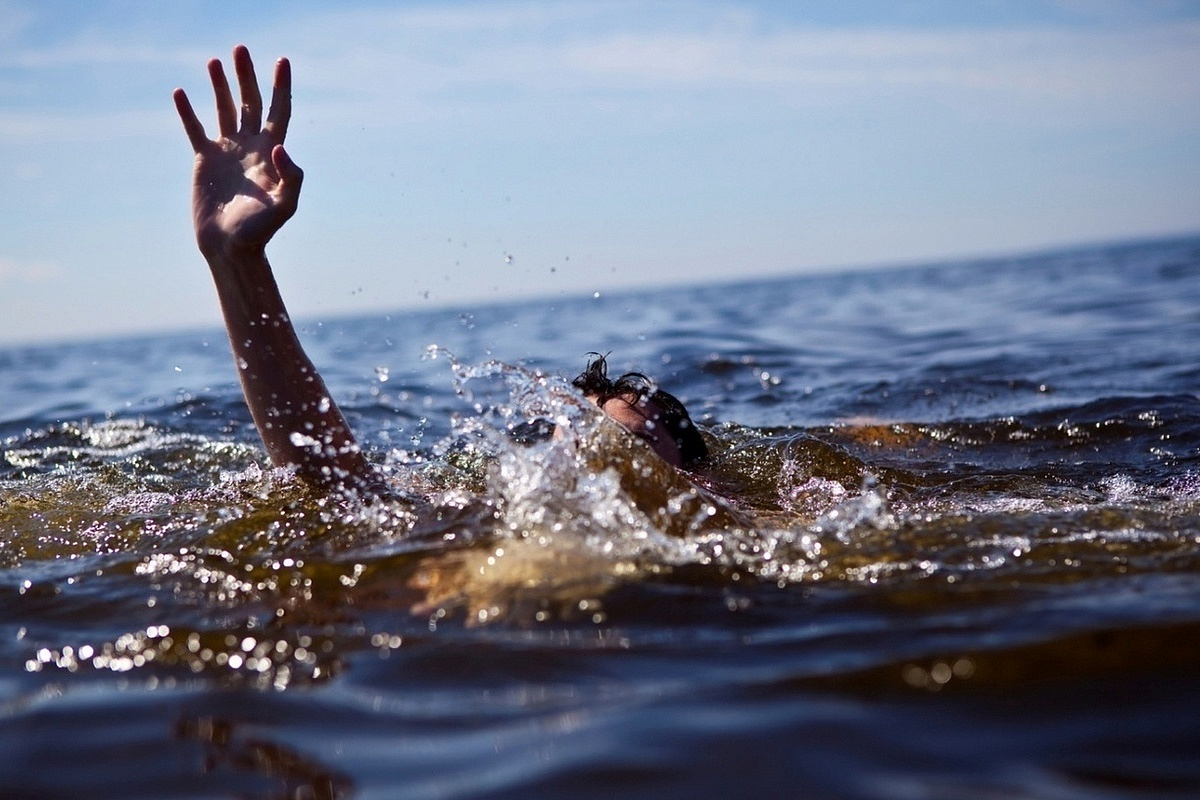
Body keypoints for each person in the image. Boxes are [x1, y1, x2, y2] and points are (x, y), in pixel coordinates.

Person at [173, 46, 706, 495]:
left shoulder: (732, 537)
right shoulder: (493, 523)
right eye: (585, 441)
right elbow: (338, 486)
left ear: (702, 484)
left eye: (631, 443)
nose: (598, 458)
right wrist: (236, 263)